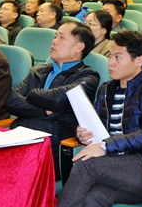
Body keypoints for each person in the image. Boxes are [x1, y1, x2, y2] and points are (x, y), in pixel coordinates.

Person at [51, 31, 142, 207]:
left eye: (118, 57)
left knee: (87, 165)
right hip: (117, 165)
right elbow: (95, 125)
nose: (111, 62)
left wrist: (105, 146)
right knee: (94, 197)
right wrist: (81, 134)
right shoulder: (107, 88)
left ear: (139, 60)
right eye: (110, 56)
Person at [6, 21, 100, 179]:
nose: (54, 41)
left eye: (61, 37)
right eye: (55, 36)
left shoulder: (88, 76)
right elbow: (11, 101)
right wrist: (43, 110)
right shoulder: (38, 71)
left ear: (79, 47)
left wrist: (32, 94)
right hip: (18, 137)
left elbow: (58, 100)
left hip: (50, 146)